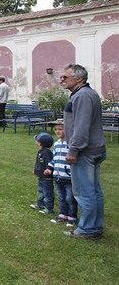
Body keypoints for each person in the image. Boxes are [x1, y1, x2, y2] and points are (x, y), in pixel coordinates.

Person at [61, 64, 106, 240]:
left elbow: (81, 126)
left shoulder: (83, 96)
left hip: (85, 152)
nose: (62, 79)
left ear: (79, 78)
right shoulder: (85, 94)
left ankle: (88, 229)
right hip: (92, 149)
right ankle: (94, 226)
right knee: (93, 190)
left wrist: (73, 150)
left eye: (66, 76)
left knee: (84, 191)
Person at [44, 120, 78, 227]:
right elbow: (55, 158)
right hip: (58, 176)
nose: (57, 132)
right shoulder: (57, 143)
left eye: (60, 129)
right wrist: (50, 168)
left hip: (68, 177)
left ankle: (72, 217)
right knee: (61, 197)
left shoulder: (71, 144)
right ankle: (62, 214)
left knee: (70, 198)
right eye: (55, 129)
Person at [30, 132, 54, 215]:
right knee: (41, 190)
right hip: (41, 176)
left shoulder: (46, 152)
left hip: (47, 177)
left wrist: (48, 170)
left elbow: (49, 163)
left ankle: (49, 207)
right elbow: (39, 163)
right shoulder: (41, 151)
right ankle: (40, 204)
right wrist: (36, 171)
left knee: (47, 192)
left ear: (39, 143)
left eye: (36, 140)